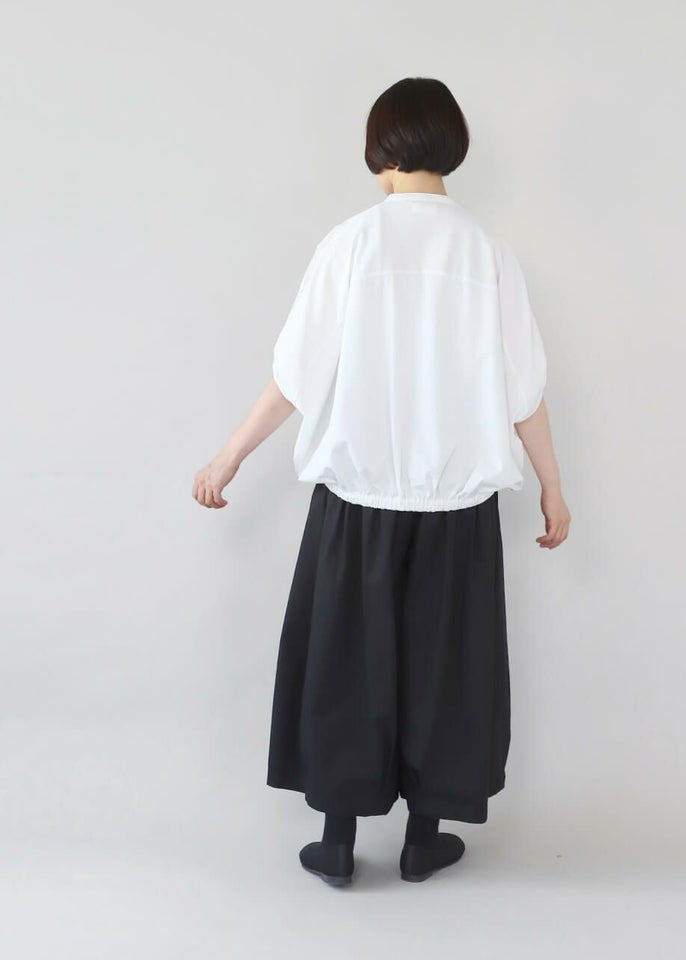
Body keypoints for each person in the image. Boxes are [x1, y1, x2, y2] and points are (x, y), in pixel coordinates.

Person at [192, 77, 570, 887]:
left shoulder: (350, 245)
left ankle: (336, 842)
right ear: (450, 147)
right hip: (457, 512)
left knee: (345, 666)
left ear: (381, 151)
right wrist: (552, 487)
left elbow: (295, 378)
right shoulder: (489, 254)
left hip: (355, 509)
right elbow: (524, 391)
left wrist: (228, 458)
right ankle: (423, 840)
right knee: (446, 672)